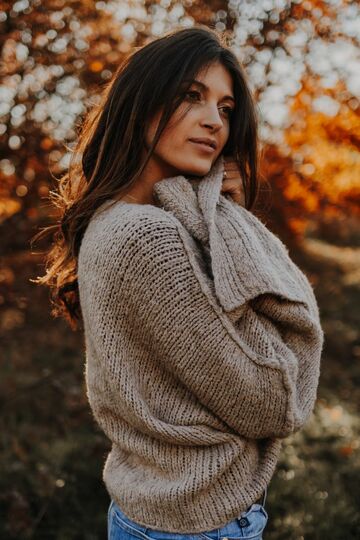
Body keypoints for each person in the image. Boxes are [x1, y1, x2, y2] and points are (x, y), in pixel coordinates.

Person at [34, 26, 324, 540]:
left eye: (226, 108)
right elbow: (275, 401)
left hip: (152, 511)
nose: (214, 121)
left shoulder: (112, 218)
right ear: (141, 101)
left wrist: (216, 213)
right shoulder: (149, 237)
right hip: (197, 524)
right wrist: (233, 221)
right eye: (192, 96)